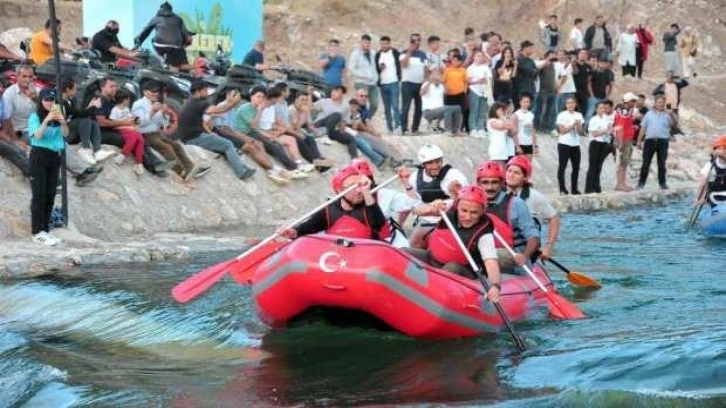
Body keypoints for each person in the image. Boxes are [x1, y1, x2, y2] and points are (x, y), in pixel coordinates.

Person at [403, 185, 502, 301]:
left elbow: (491, 262)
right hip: (433, 258)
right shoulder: (449, 206)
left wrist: (495, 286)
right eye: (464, 211)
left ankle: (427, 297)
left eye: (474, 212)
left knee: (452, 267)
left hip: (463, 271)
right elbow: (416, 210)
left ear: (482, 212)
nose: (468, 216)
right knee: (404, 252)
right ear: (457, 206)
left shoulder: (485, 233)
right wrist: (432, 207)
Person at [277, 164, 388, 240]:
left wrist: (367, 193)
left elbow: (378, 223)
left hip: (367, 258)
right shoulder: (329, 210)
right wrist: (293, 232)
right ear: (339, 190)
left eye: (360, 186)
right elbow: (309, 226)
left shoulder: (369, 205)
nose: (359, 190)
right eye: (352, 187)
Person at [175, 80, 256, 180]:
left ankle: (244, 168)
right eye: (204, 90)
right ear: (197, 91)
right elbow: (220, 110)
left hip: (192, 136)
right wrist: (233, 103)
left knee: (224, 145)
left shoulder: (191, 101)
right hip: (194, 138)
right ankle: (241, 173)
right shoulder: (198, 103)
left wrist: (231, 103)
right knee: (228, 144)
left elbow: (219, 111)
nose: (207, 93)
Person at [132, 81, 210, 180]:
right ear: (145, 92)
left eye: (157, 92)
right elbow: (139, 123)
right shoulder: (138, 104)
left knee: (176, 145)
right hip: (144, 134)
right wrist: (153, 111)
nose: (155, 94)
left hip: (156, 132)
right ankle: (180, 171)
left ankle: (190, 167)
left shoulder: (156, 104)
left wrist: (164, 114)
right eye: (153, 91)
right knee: (166, 148)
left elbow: (160, 123)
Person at [476, 160, 540, 275]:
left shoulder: (516, 204)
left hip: (511, 259)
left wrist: (525, 256)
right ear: (478, 183)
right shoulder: (472, 203)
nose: (490, 187)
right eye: (485, 183)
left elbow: (533, 237)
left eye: (494, 182)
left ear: (502, 183)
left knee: (490, 254)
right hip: (483, 256)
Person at [232, 85, 307, 181]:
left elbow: (257, 128)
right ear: (252, 96)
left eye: (262, 97)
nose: (261, 99)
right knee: (265, 145)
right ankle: (281, 168)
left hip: (252, 132)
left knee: (273, 143)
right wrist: (260, 110)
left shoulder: (256, 108)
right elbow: (253, 125)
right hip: (242, 133)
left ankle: (284, 167)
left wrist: (270, 136)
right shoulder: (246, 108)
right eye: (258, 96)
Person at [406, 144, 468, 248]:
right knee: (413, 245)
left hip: (452, 220)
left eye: (438, 161)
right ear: (423, 164)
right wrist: (426, 210)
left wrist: (446, 204)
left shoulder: (454, 175)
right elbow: (413, 202)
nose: (435, 166)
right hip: (427, 220)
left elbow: (466, 201)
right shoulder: (414, 177)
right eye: (430, 163)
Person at [350, 158, 420, 248]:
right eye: (355, 184)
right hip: (360, 245)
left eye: (364, 182)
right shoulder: (344, 199)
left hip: (390, 243)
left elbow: (412, 203)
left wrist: (406, 183)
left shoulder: (383, 194)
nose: (360, 189)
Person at [28, 88, 67, 246]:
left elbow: (65, 134)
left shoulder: (58, 116)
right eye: (46, 100)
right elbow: (36, 135)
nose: (49, 103)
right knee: (39, 193)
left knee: (50, 193)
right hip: (39, 155)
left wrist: (62, 121)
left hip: (54, 155)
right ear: (41, 101)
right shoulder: (34, 116)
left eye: (52, 100)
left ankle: (45, 229)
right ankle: (37, 231)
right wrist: (46, 120)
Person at [505, 155, 560, 260]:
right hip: (505, 245)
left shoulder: (535, 197)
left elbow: (554, 219)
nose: (511, 175)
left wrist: (549, 246)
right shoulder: (497, 194)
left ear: (525, 177)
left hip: (526, 249)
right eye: (509, 171)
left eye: (516, 173)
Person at [60, 77, 116, 165]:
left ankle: (97, 151)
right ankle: (85, 148)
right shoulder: (61, 102)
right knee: (86, 118)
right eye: (74, 89)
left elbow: (77, 115)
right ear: (67, 89)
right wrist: (94, 106)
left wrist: (90, 107)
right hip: (62, 134)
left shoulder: (69, 101)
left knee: (92, 121)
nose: (76, 91)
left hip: (70, 130)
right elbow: (80, 114)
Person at [134, 2, 193, 71]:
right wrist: (184, 45)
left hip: (160, 45)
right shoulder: (178, 19)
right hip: (175, 46)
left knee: (153, 40)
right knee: (177, 60)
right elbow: (186, 36)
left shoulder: (156, 18)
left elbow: (145, 32)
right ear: (171, 10)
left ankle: (161, 59)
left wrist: (138, 41)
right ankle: (173, 67)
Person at [637, 95, 676, 190]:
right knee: (646, 163)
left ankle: (662, 183)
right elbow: (643, 127)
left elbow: (674, 124)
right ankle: (641, 183)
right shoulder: (649, 114)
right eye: (659, 102)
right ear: (655, 103)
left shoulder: (668, 114)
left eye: (663, 102)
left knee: (661, 163)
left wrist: (671, 113)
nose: (661, 104)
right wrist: (639, 141)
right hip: (649, 140)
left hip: (663, 141)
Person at [556, 96, 585, 195]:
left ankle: (574, 188)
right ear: (566, 105)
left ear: (575, 104)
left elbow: (581, 132)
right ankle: (562, 188)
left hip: (575, 144)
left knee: (576, 167)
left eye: (572, 103)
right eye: (568, 103)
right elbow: (562, 131)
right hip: (564, 143)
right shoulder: (562, 115)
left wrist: (579, 126)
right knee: (562, 166)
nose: (570, 105)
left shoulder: (579, 115)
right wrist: (573, 125)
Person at [420, 69, 463, 136]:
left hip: (440, 110)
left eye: (439, 75)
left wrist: (442, 82)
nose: (437, 77)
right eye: (435, 75)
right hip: (428, 111)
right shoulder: (426, 84)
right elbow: (422, 93)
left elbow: (448, 92)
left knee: (457, 108)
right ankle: (448, 130)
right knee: (447, 109)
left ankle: (456, 130)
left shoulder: (441, 85)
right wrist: (430, 81)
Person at [584, 101, 613, 194]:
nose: (602, 110)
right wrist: (605, 131)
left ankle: (597, 186)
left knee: (599, 166)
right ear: (596, 109)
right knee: (593, 165)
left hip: (603, 143)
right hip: (595, 143)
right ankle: (589, 188)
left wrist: (608, 131)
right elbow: (594, 133)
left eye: (603, 108)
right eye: (600, 108)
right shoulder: (594, 119)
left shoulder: (606, 119)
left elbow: (609, 131)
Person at [613, 92, 640, 191]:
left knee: (625, 162)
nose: (634, 103)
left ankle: (622, 183)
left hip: (627, 138)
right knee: (622, 162)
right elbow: (619, 127)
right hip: (624, 139)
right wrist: (620, 142)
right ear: (628, 101)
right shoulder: (624, 112)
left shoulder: (625, 111)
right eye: (633, 101)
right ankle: (620, 184)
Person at [375, 36, 402, 133]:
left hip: (394, 82)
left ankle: (398, 126)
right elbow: (376, 69)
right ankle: (389, 127)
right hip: (383, 84)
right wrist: (380, 69)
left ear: (389, 44)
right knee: (387, 107)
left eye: (386, 43)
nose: (384, 46)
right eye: (382, 44)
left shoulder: (395, 53)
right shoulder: (378, 55)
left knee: (395, 105)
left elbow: (401, 64)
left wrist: (400, 77)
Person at [349, 34, 379, 118]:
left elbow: (375, 66)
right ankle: (357, 119)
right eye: (365, 42)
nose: (367, 44)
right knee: (361, 103)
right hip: (361, 82)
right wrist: (363, 75)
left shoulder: (373, 54)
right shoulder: (356, 54)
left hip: (372, 83)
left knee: (374, 104)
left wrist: (376, 77)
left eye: (368, 43)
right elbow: (351, 68)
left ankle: (366, 119)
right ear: (361, 42)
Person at [466, 50, 492, 137]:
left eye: (481, 56)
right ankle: (473, 128)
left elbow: (489, 79)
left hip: (484, 91)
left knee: (482, 111)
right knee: (474, 110)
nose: (479, 58)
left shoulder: (485, 68)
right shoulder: (470, 68)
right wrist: (478, 81)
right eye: (477, 56)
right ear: (474, 57)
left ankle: (480, 128)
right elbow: (468, 81)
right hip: (474, 90)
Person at [695, 135, 726, 207]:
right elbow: (702, 184)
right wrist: (700, 198)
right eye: (723, 148)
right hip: (716, 200)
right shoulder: (709, 166)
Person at [442, 53, 468, 133]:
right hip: (449, 94)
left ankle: (457, 129)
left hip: (460, 94)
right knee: (448, 112)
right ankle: (448, 129)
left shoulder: (463, 70)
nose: (455, 62)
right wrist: (445, 90)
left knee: (459, 112)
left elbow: (466, 82)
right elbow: (443, 81)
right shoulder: (447, 70)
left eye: (457, 60)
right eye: (453, 60)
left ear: (460, 62)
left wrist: (464, 91)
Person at [512, 93, 537, 160]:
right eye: (524, 102)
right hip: (520, 143)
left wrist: (535, 145)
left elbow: (532, 131)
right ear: (520, 102)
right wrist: (517, 146)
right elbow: (514, 132)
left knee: (528, 165)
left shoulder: (531, 114)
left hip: (528, 143)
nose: (526, 104)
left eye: (528, 102)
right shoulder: (516, 115)